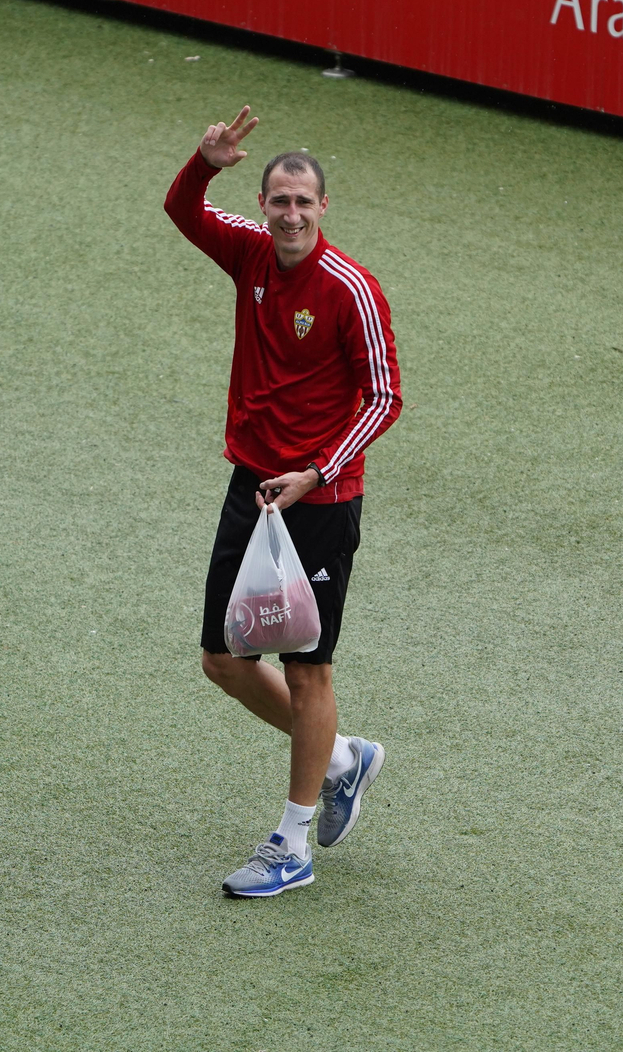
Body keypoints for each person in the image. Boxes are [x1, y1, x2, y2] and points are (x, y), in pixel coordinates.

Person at [164, 106, 403, 897]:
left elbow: (384, 398)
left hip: (322, 500)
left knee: (308, 673)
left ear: (323, 207)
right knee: (224, 659)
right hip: (254, 488)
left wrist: (317, 471)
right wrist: (203, 162)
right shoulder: (250, 253)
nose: (291, 214)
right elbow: (183, 211)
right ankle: (341, 760)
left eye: (304, 202)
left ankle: (292, 845)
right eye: (279, 201)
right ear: (262, 205)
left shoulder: (351, 288)